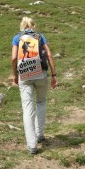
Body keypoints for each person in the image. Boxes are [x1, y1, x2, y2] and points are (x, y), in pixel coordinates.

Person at [11, 16, 57, 155]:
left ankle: (32, 145)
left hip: (24, 75)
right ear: (33, 26)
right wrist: (54, 75)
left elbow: (14, 58)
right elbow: (48, 54)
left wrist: (15, 75)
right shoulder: (40, 37)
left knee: (27, 109)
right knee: (41, 102)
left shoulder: (17, 38)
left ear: (22, 26)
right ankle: (39, 134)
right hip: (40, 74)